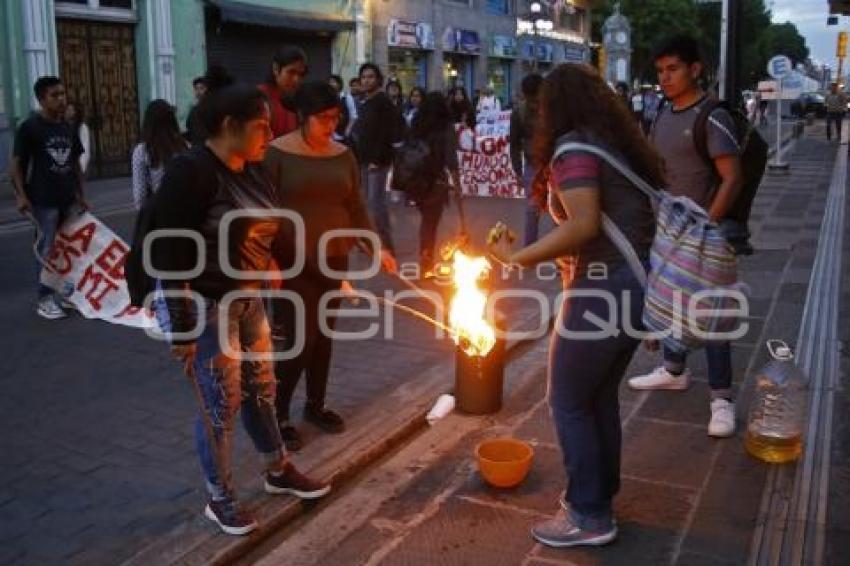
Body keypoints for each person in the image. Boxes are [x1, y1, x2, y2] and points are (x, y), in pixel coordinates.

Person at [488, 63, 658, 547]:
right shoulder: (611, 143)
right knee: (596, 397)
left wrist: (517, 258)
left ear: (552, 106)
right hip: (632, 290)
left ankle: (588, 515)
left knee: (566, 400)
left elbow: (582, 225)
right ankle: (598, 496)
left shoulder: (574, 148)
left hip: (604, 292)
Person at [149, 83, 330, 536]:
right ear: (229, 126)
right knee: (220, 404)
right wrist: (184, 329)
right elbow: (170, 251)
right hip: (206, 306)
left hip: (249, 299)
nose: (270, 133)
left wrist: (323, 276)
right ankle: (220, 496)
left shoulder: (253, 169)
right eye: (262, 126)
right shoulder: (190, 172)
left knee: (261, 388)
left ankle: (276, 468)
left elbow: (275, 231)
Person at [264, 81, 397, 451]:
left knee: (323, 338)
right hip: (293, 262)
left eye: (336, 118)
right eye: (324, 119)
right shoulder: (276, 154)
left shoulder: (342, 155)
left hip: (333, 257)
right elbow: (261, 211)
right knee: (298, 341)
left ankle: (315, 405)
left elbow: (355, 207)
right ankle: (278, 414)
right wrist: (269, 260)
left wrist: (376, 247)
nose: (331, 126)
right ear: (303, 117)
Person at [628, 35, 742, 438]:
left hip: (702, 235)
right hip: (667, 230)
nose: (665, 78)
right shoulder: (660, 112)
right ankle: (674, 370)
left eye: (673, 69)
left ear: (695, 69)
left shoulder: (711, 116)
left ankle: (722, 399)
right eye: (660, 71)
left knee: (710, 315)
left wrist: (706, 225)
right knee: (670, 301)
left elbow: (732, 177)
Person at [11, 76, 86, 320]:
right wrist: (21, 196)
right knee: (46, 248)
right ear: (42, 99)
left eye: (63, 94)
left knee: (67, 248)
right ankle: (44, 299)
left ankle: (64, 294)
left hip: (67, 198)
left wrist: (81, 196)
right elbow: (16, 165)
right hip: (43, 201)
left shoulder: (67, 126)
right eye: (55, 95)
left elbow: (74, 162)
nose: (62, 99)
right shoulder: (30, 127)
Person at [351, 63, 406, 253]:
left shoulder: (383, 102)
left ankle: (386, 245)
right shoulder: (365, 101)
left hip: (377, 162)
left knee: (377, 204)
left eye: (370, 77)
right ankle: (369, 241)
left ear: (378, 80)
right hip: (364, 160)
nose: (366, 80)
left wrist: (379, 159)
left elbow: (389, 133)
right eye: (363, 77)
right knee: (367, 202)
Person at [406, 91, 462, 273]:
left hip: (416, 179)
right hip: (435, 180)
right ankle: (426, 260)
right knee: (430, 222)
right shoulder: (446, 127)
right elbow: (451, 158)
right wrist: (457, 184)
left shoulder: (417, 123)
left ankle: (425, 256)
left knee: (426, 220)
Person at [131, 99, 187, 210]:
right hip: (186, 211)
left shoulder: (142, 151)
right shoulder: (184, 147)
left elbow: (140, 195)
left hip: (159, 213)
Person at [510, 73, 544, 246]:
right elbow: (514, 144)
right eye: (531, 99)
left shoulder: (554, 110)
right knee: (532, 210)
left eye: (537, 98)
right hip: (532, 166)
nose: (534, 104)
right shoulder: (519, 113)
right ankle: (530, 250)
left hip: (557, 164)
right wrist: (517, 171)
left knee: (563, 210)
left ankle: (567, 255)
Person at [259, 46, 308, 138]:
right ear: (276, 69)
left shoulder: (295, 102)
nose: (296, 80)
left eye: (301, 74)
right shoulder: (258, 98)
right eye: (291, 72)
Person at [328, 74, 358, 143]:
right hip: (329, 136)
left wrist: (348, 129)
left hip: (341, 135)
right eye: (329, 82)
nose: (331, 84)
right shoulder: (328, 98)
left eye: (333, 82)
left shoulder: (347, 97)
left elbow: (353, 116)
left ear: (339, 84)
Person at [65, 102, 90, 175]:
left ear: (75, 112)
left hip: (77, 164)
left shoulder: (81, 127)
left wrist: (82, 165)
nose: (68, 112)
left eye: (71, 110)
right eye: (67, 110)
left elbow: (84, 146)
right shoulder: (63, 126)